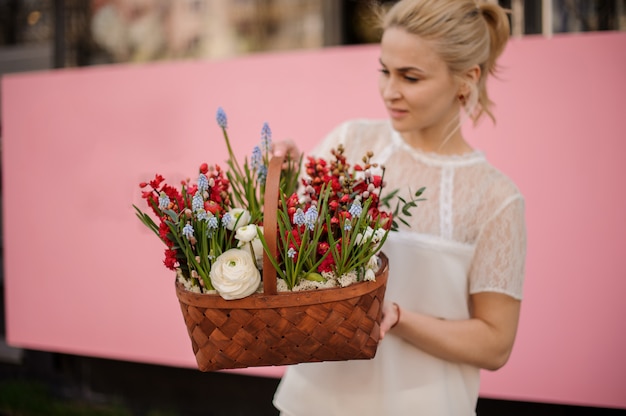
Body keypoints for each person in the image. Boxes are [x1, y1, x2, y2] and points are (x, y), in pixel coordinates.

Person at [272, 0, 526, 415]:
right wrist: (287, 180)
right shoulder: (351, 144)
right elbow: (291, 253)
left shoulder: (495, 198)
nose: (390, 91)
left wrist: (397, 318)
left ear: (466, 80)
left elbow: (495, 343)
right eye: (385, 70)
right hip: (320, 400)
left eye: (411, 77)